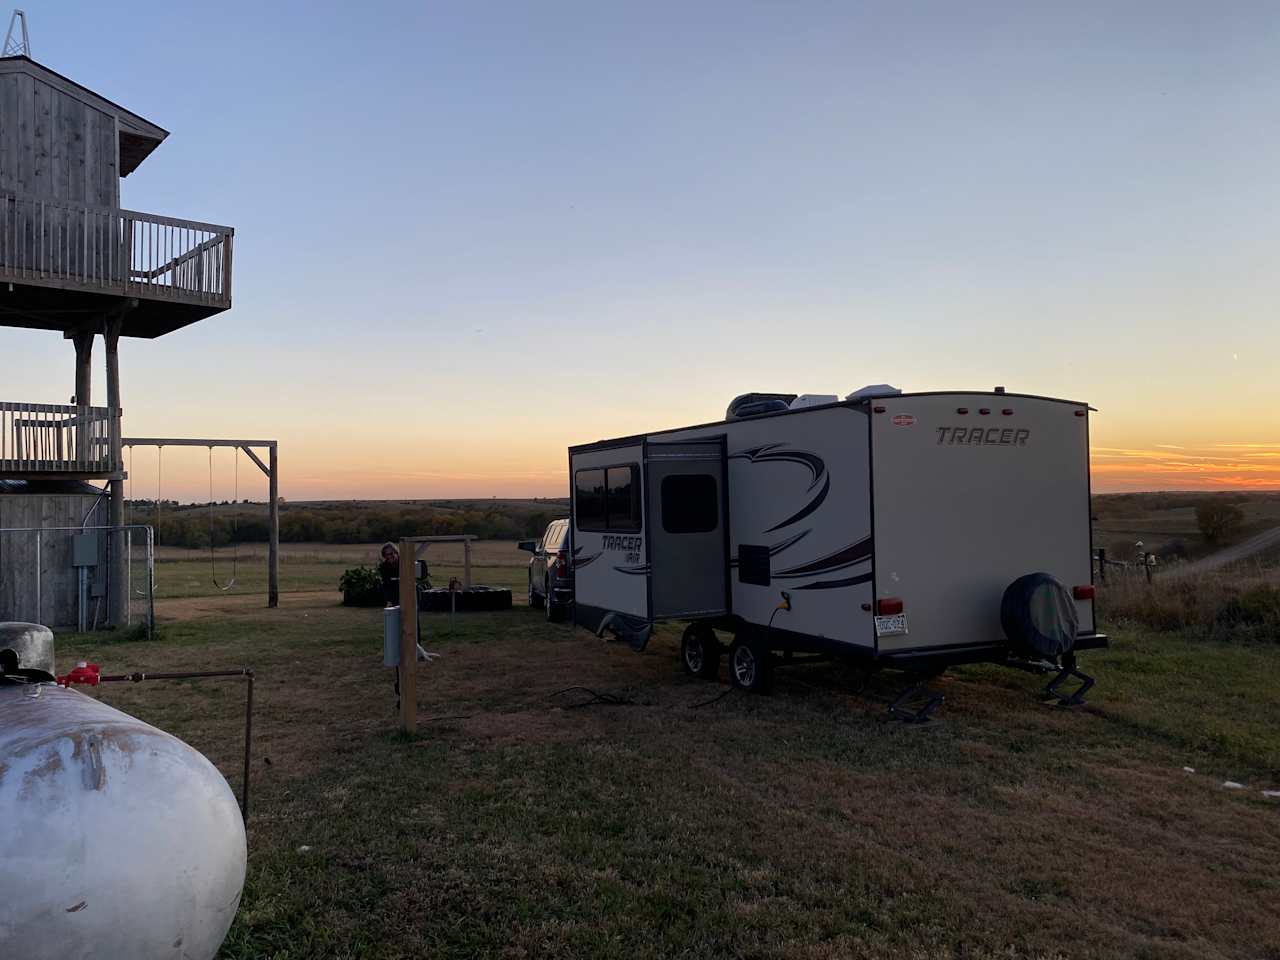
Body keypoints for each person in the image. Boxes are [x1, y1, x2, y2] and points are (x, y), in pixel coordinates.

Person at [379, 542, 400, 606]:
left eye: (391, 554)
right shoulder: (384, 566)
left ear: (396, 552)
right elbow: (386, 584)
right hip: (393, 595)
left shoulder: (404, 562)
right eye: (386, 555)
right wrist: (389, 600)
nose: (389, 556)